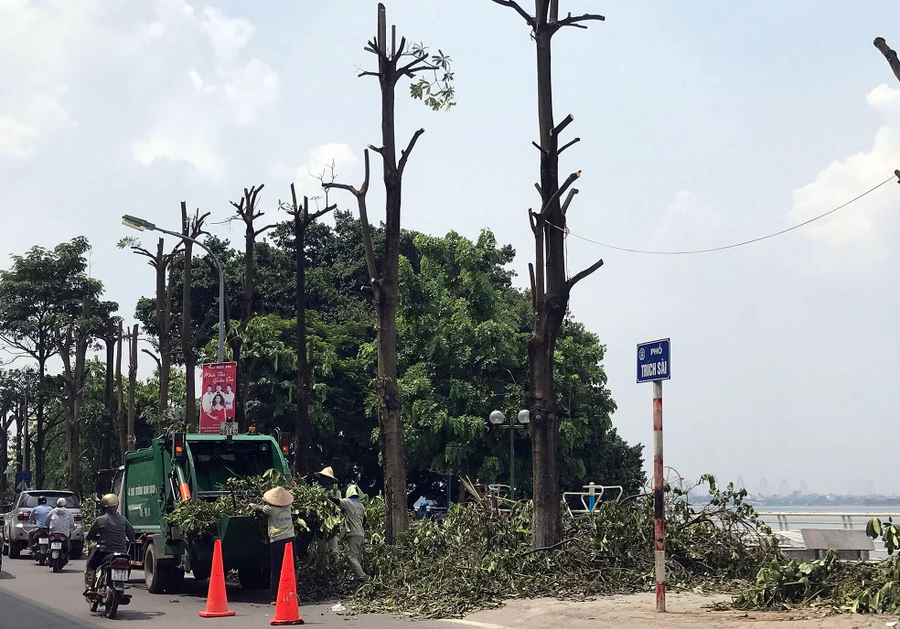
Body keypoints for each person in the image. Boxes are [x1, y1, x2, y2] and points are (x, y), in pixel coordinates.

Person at [250, 486, 296, 604]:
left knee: (276, 569)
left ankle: (275, 597)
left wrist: (253, 506)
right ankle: (293, 593)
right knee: (291, 568)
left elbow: (259, 508)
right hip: (290, 540)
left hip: (277, 541)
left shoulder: (270, 509)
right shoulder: (289, 507)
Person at [83, 494, 135, 597]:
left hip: (104, 551)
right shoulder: (123, 520)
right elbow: (132, 534)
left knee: (91, 565)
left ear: (103, 507)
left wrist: (91, 538)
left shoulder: (100, 520)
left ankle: (89, 588)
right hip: (121, 552)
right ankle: (122, 584)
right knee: (127, 565)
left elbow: (90, 536)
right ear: (116, 506)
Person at [329, 484, 367, 580]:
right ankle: (357, 578)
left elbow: (336, 501)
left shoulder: (347, 503)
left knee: (351, 558)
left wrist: (326, 496)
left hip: (353, 534)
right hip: (361, 534)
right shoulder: (361, 506)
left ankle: (364, 577)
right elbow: (365, 520)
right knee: (357, 558)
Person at [314, 466, 340, 570]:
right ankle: (321, 570)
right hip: (320, 523)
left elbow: (338, 506)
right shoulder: (316, 491)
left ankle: (335, 568)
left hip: (332, 523)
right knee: (321, 549)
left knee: (333, 547)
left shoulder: (336, 493)